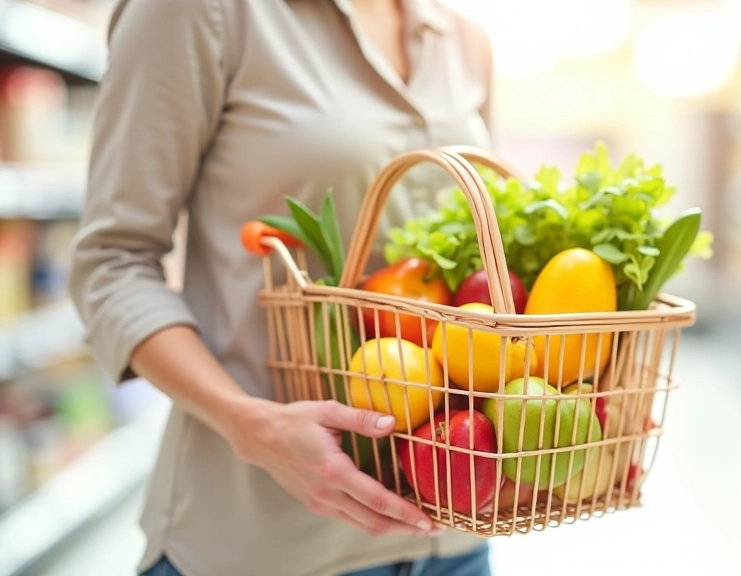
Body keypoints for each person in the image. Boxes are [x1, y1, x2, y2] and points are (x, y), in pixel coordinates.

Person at [68, 0, 494, 574]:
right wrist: (251, 424)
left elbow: (483, 271)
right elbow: (112, 261)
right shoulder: (200, 13)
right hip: (261, 542)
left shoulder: (459, 37)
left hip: (453, 543)